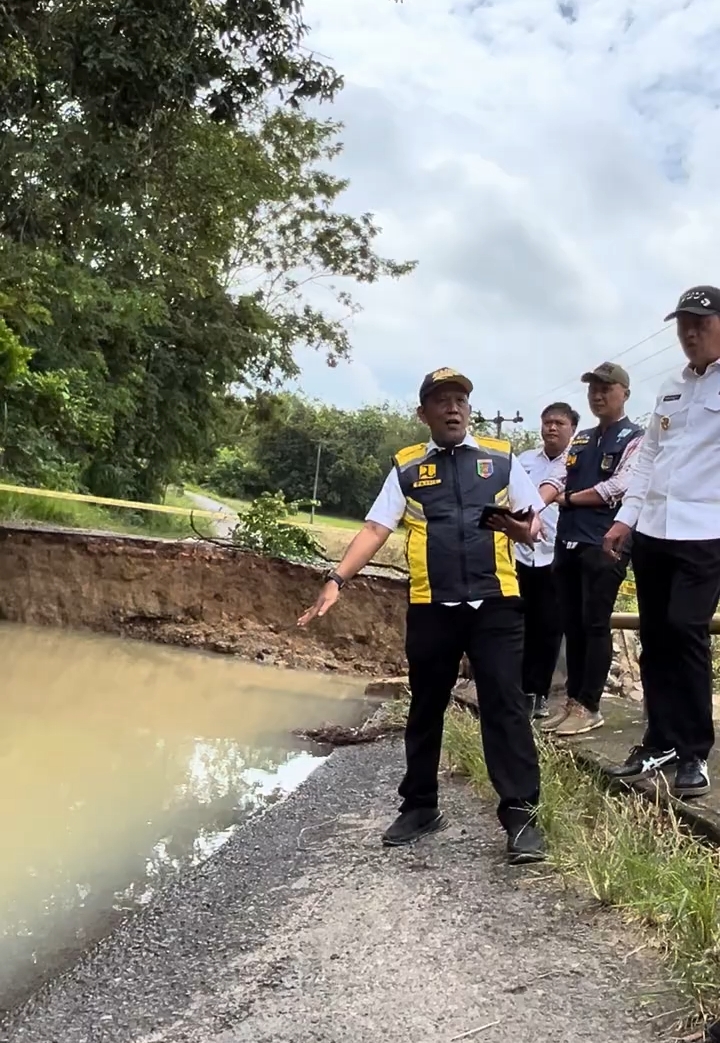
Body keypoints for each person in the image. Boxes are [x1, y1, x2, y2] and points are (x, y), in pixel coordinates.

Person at [298, 367, 548, 864]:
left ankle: (521, 816)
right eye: (441, 401)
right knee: (426, 706)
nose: (453, 408)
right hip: (432, 604)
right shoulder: (408, 466)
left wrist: (525, 532)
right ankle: (420, 806)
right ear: (424, 413)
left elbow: (532, 520)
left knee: (505, 705)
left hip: (495, 601)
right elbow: (375, 528)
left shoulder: (500, 459)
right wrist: (336, 579)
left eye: (460, 400)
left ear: (469, 409)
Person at [604, 286, 720, 798]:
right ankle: (660, 740)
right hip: (653, 531)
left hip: (706, 533)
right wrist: (625, 519)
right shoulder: (670, 387)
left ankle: (695, 751)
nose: (690, 333)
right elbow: (649, 456)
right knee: (655, 636)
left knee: (685, 630)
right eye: (683, 325)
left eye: (701, 322)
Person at [539, 362, 643, 736]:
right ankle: (572, 702)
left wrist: (567, 499)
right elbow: (559, 474)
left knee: (595, 623)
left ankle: (590, 705)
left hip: (605, 542)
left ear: (624, 394)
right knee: (572, 623)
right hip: (567, 540)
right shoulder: (581, 438)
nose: (598, 395)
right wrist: (541, 501)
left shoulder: (636, 437)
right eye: (593, 389)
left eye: (606, 388)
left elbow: (619, 486)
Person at [515, 403, 579, 720]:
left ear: (572, 429)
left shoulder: (577, 463)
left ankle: (538, 693)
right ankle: (518, 688)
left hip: (558, 554)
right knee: (517, 623)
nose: (552, 428)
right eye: (547, 422)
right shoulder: (523, 461)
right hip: (520, 554)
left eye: (560, 423)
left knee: (548, 627)